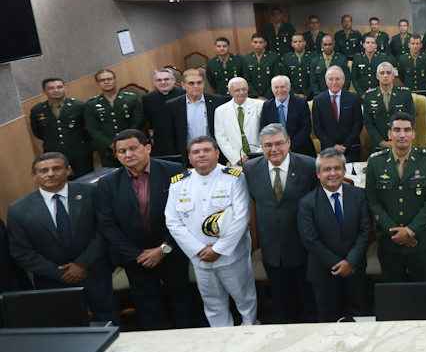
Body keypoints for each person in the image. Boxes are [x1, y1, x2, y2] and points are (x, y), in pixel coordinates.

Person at [94, 130, 190, 329]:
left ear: (147, 148)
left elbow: (186, 213)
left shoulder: (173, 171)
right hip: (135, 258)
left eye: (133, 148)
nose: (128, 154)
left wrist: (163, 248)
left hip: (172, 251)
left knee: (181, 301)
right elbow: (108, 225)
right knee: (147, 306)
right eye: (121, 151)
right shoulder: (107, 184)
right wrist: (137, 254)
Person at [7, 152, 118, 325]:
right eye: (44, 170)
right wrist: (58, 273)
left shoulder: (92, 193)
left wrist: (82, 264)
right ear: (34, 176)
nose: (50, 173)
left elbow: (104, 230)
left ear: (68, 171)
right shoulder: (18, 209)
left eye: (57, 168)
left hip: (94, 272)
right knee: (67, 329)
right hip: (52, 281)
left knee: (109, 321)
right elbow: (21, 251)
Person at [165, 136, 257, 327]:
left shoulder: (234, 178)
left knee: (245, 300)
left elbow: (241, 217)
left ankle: (251, 330)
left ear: (217, 153)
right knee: (213, 304)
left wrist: (219, 249)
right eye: (196, 152)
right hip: (200, 258)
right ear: (189, 158)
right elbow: (173, 222)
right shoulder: (179, 183)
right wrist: (198, 250)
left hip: (232, 256)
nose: (201, 155)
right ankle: (220, 338)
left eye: (207, 150)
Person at [244, 123, 320, 323]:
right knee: (282, 303)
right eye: (267, 145)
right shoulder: (250, 169)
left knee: (309, 301)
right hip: (272, 248)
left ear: (289, 143)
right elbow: (255, 200)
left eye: (279, 143)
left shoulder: (308, 165)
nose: (274, 149)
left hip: (304, 246)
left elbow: (317, 203)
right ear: (261, 146)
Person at [365, 113, 426, 282]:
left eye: (407, 130)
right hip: (389, 241)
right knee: (393, 295)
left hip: (420, 241)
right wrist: (395, 232)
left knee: (422, 293)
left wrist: (410, 231)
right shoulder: (375, 162)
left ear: (413, 133)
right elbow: (373, 201)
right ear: (389, 134)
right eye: (397, 130)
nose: (402, 135)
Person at [298, 148, 371, 321]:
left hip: (355, 269)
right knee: (327, 322)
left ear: (345, 171)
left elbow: (365, 232)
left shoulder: (359, 195)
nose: (333, 173)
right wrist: (338, 264)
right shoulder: (307, 203)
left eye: (337, 168)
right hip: (323, 273)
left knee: (358, 318)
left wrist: (350, 262)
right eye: (327, 169)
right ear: (318, 173)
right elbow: (310, 241)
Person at [30, 77, 93, 179]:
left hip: (80, 152)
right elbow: (38, 132)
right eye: (51, 88)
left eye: (59, 87)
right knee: (60, 183)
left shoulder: (79, 106)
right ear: (44, 91)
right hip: (53, 154)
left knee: (86, 181)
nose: (56, 90)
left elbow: (89, 128)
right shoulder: (37, 110)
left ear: (65, 88)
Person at [162, 68, 229, 161]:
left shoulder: (217, 101)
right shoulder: (173, 105)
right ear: (183, 85)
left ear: (203, 83)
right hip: (187, 155)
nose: (196, 86)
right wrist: (176, 155)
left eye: (199, 82)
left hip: (214, 154)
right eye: (191, 83)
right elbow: (169, 134)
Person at [84, 69, 145, 168]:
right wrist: (112, 145)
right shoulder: (92, 104)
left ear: (116, 80)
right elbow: (92, 129)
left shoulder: (131, 99)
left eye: (109, 79)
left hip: (133, 145)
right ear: (97, 84)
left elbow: (138, 121)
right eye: (102, 80)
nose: (106, 82)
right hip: (108, 150)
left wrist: (126, 142)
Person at [312, 66, 363, 162]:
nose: (334, 82)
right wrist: (333, 146)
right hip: (328, 149)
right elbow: (317, 129)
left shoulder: (353, 98)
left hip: (351, 148)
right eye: (331, 79)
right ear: (326, 81)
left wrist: (345, 145)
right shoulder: (318, 101)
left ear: (343, 80)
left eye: (337, 79)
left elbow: (358, 125)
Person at [363, 62, 416, 150]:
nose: (385, 76)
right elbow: (368, 123)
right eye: (382, 73)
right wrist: (382, 142)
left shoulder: (405, 94)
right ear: (377, 76)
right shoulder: (369, 96)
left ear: (393, 76)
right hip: (378, 145)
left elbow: (411, 118)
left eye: (388, 73)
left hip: (401, 143)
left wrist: (397, 139)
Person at [214, 77, 264, 166]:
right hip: (237, 161)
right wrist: (237, 158)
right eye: (237, 90)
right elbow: (221, 137)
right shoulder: (220, 111)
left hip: (260, 156)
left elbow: (266, 133)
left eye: (244, 89)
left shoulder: (260, 105)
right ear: (230, 92)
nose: (241, 93)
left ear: (248, 88)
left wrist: (257, 154)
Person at [262, 75, 315, 158]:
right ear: (272, 89)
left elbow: (306, 128)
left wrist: (289, 146)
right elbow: (264, 129)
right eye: (276, 87)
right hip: (276, 151)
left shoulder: (301, 103)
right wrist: (279, 147)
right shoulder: (267, 106)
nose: (279, 90)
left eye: (282, 87)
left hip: (300, 150)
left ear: (289, 88)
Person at [141, 69, 185, 157]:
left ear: (174, 80)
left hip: (181, 138)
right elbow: (149, 118)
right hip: (161, 140)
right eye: (159, 80)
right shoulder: (147, 98)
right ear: (154, 82)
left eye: (166, 79)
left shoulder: (184, 94)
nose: (163, 82)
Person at [244, 33, 281, 99]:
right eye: (255, 42)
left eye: (261, 42)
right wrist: (256, 95)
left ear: (265, 43)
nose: (258, 45)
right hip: (254, 96)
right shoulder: (247, 58)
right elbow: (247, 80)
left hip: (271, 95)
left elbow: (276, 77)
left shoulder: (273, 57)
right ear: (251, 43)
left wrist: (267, 96)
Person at [280, 34, 313, 98]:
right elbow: (285, 78)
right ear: (292, 44)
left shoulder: (313, 57)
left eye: (300, 41)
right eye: (295, 42)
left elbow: (314, 79)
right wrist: (293, 94)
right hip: (292, 95)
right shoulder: (286, 58)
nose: (298, 44)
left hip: (309, 96)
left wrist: (306, 94)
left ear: (305, 43)